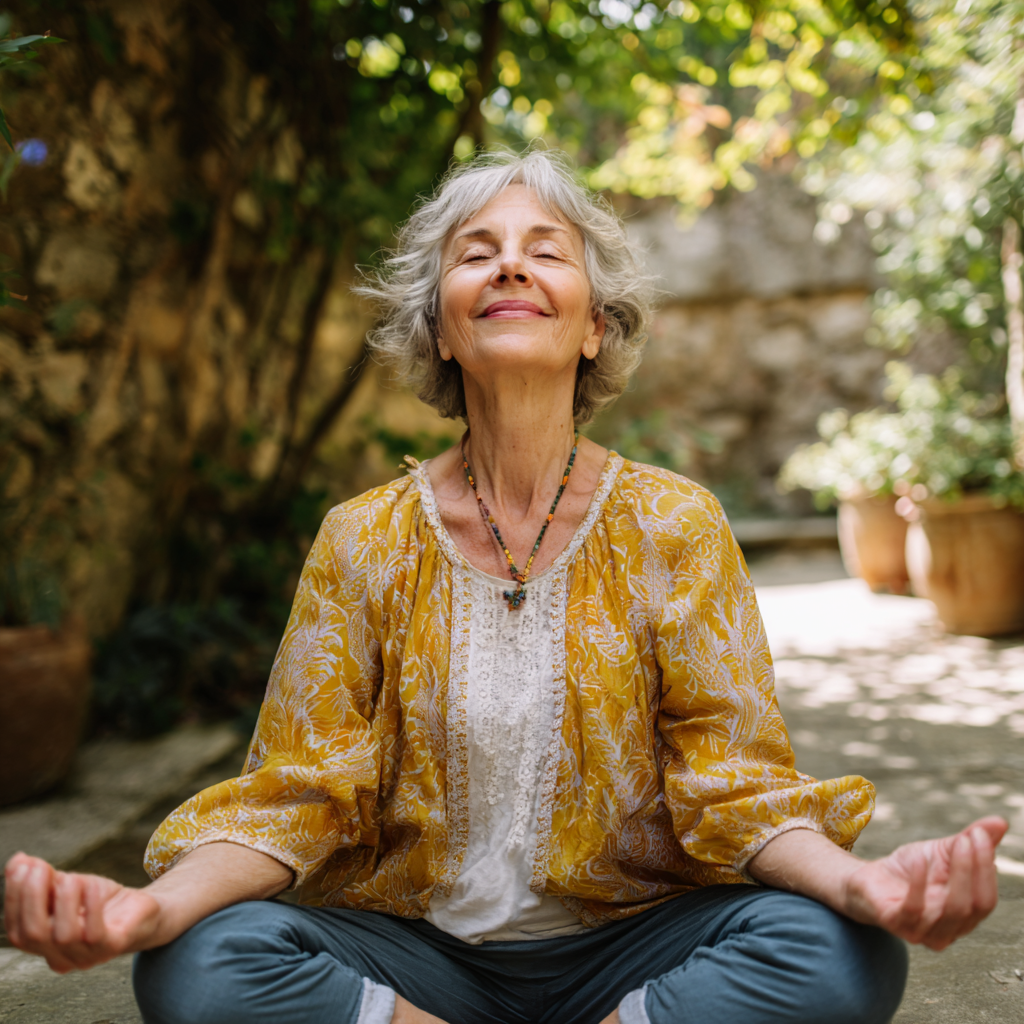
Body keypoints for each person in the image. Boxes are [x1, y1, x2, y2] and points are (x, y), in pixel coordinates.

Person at [4, 150, 1007, 1024]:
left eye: (546, 248)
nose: (511, 262)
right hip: (417, 950)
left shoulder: (675, 524)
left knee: (839, 954)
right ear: (440, 330)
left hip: (630, 939)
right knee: (192, 967)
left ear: (593, 331)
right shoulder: (362, 540)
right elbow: (298, 796)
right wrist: (155, 908)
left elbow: (731, 784)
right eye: (475, 251)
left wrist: (864, 885)